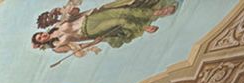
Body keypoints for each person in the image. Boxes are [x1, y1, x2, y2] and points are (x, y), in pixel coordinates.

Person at [31, 1, 180, 58]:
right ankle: (143, 26)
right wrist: (94, 43)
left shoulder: (58, 25)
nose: (43, 36)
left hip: (89, 18)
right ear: (41, 43)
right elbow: (77, 48)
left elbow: (75, 13)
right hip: (88, 31)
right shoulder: (57, 46)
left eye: (41, 34)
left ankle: (156, 12)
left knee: (123, 11)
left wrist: (67, 11)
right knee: (119, 21)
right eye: (40, 38)